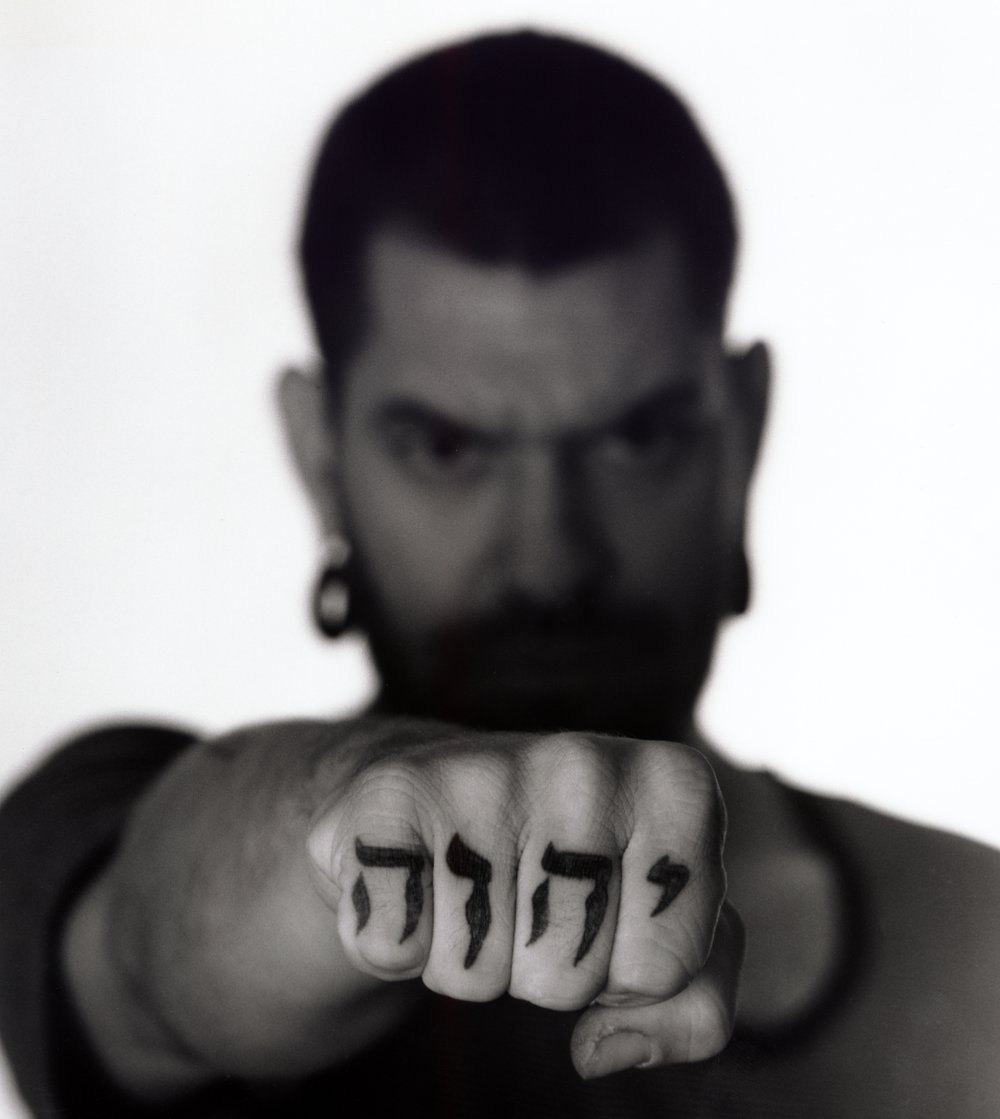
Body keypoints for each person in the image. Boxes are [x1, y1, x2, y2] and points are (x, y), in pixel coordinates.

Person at [2, 28, 998, 1119]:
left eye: (636, 440)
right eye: (445, 449)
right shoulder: (133, 839)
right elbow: (145, 952)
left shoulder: (979, 944)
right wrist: (359, 814)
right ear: (320, 453)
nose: (549, 558)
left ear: (745, 431)